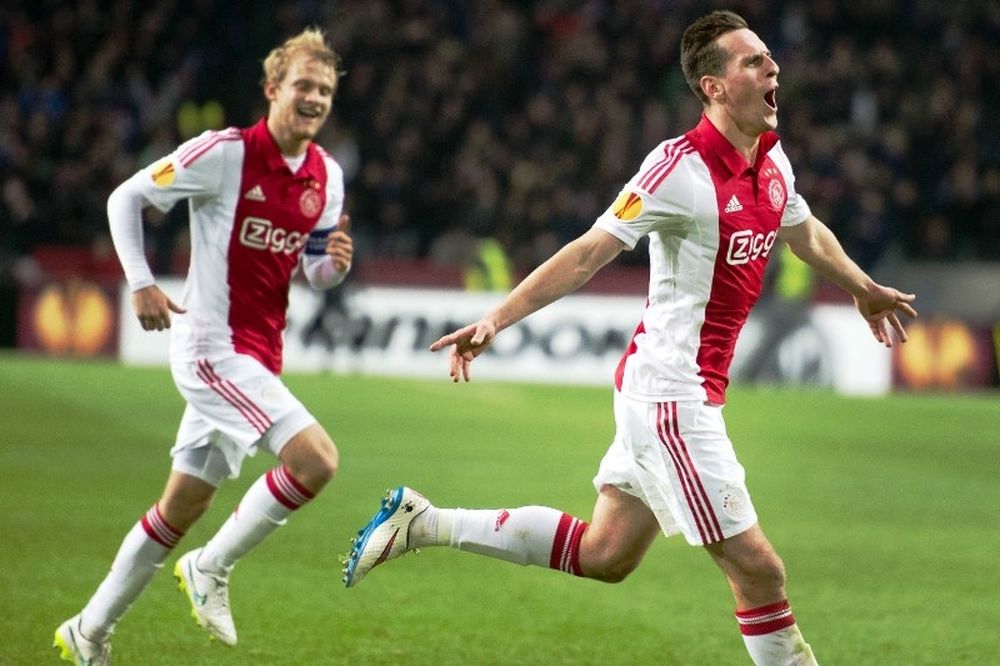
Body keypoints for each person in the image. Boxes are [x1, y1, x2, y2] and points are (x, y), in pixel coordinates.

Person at [342, 11, 917, 666]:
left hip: (682, 390)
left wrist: (861, 286)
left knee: (606, 554)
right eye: (753, 61)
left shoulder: (772, 158)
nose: (772, 67)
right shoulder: (677, 170)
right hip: (671, 395)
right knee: (759, 570)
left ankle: (423, 523)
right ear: (713, 87)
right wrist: (497, 318)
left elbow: (804, 230)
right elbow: (591, 250)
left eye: (769, 57)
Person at [54, 28, 352, 665]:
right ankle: (210, 566)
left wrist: (334, 266)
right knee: (317, 461)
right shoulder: (225, 153)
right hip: (212, 349)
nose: (314, 98)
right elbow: (127, 196)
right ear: (272, 89)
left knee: (181, 506)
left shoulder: (327, 176)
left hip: (260, 354)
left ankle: (88, 630)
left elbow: (314, 270)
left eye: (325, 90)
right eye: (303, 85)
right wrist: (141, 281)